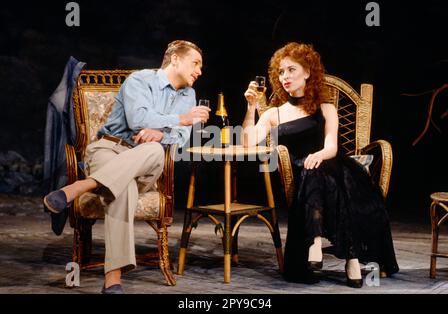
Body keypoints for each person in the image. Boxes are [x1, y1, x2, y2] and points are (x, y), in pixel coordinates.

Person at [43, 40, 210, 294]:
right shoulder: (139, 80)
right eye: (195, 63)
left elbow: (182, 139)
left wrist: (160, 133)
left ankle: (82, 185)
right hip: (108, 150)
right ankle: (113, 280)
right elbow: (138, 119)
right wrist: (180, 119)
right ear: (175, 58)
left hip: (146, 162)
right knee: (123, 188)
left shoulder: (189, 95)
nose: (199, 71)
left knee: (154, 149)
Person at [242, 42, 399, 287]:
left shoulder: (325, 107)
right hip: (302, 173)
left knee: (316, 169)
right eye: (281, 72)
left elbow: (331, 147)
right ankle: (352, 258)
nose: (285, 77)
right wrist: (251, 107)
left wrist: (319, 156)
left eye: (291, 70)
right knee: (310, 171)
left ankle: (315, 243)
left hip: (335, 165)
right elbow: (247, 144)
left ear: (307, 72)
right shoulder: (274, 113)